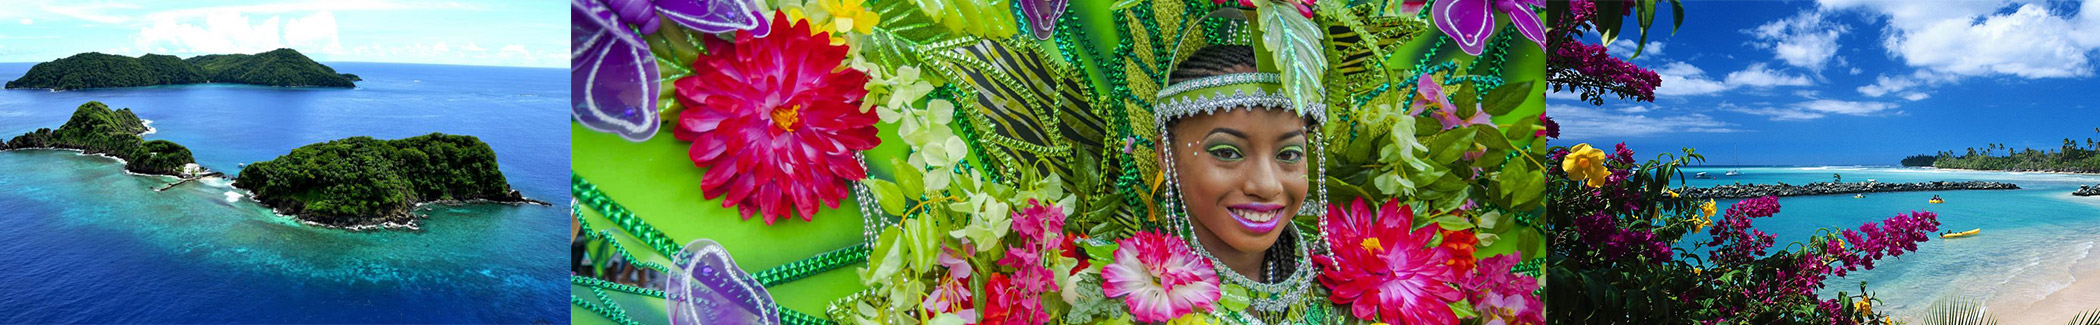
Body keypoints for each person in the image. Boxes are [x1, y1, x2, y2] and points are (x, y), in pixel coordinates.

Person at [1151, 43, 1339, 322]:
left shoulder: (1349, 293)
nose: (1266, 186)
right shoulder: (1123, 300)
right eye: (1227, 153)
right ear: (1167, 155)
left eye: (1288, 154)